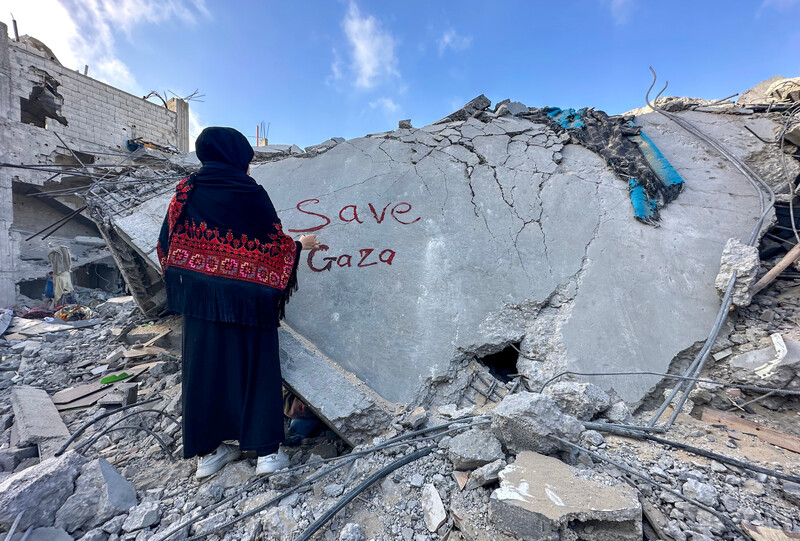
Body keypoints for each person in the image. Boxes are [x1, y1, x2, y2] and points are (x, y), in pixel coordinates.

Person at [157, 127, 320, 479]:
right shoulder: (250, 193)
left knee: (204, 372)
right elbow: (274, 245)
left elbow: (166, 246)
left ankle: (209, 454)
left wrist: (197, 278)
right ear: (237, 156)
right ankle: (267, 455)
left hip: (200, 303)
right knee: (256, 370)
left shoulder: (186, 192)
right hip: (249, 302)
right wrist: (300, 245)